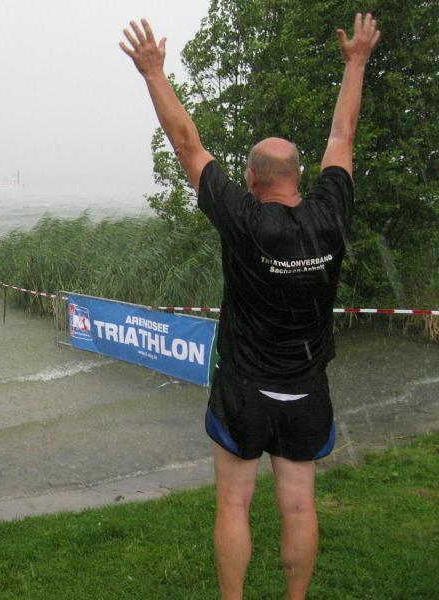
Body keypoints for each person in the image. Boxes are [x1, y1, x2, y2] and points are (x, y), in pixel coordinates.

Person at [120, 13, 380, 600]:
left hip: (244, 389)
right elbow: (343, 137)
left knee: (234, 503)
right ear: (300, 176)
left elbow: (186, 143)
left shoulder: (242, 219)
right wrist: (356, 63)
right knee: (299, 505)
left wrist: (154, 72)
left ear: (251, 179)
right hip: (306, 390)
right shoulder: (330, 213)